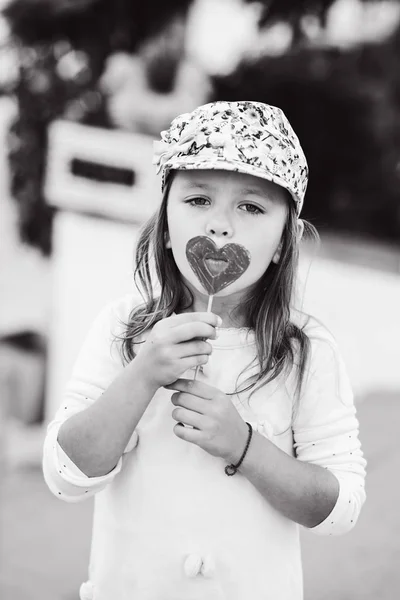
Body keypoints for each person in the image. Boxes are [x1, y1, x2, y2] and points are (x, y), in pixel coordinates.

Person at [43, 101, 366, 600]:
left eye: (252, 207)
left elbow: (340, 510)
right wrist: (143, 373)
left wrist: (244, 445)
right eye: (198, 200)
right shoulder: (123, 330)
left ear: (285, 241)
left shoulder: (307, 353)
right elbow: (66, 477)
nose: (220, 226)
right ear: (167, 225)